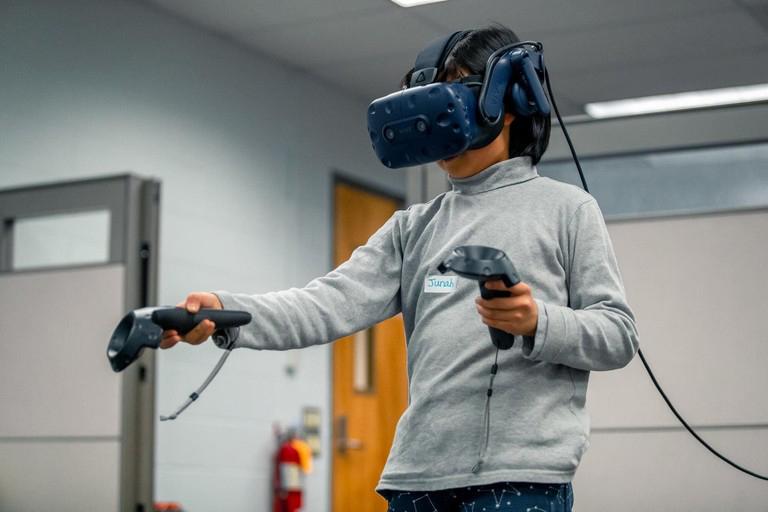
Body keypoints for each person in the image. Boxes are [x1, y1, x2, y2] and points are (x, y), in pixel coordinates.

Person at [161, 24, 639, 512]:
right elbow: (326, 303)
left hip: (520, 478)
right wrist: (224, 311)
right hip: (417, 477)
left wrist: (538, 321)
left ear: (511, 99)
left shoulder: (567, 210)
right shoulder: (413, 228)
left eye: (454, 93)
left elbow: (617, 334)